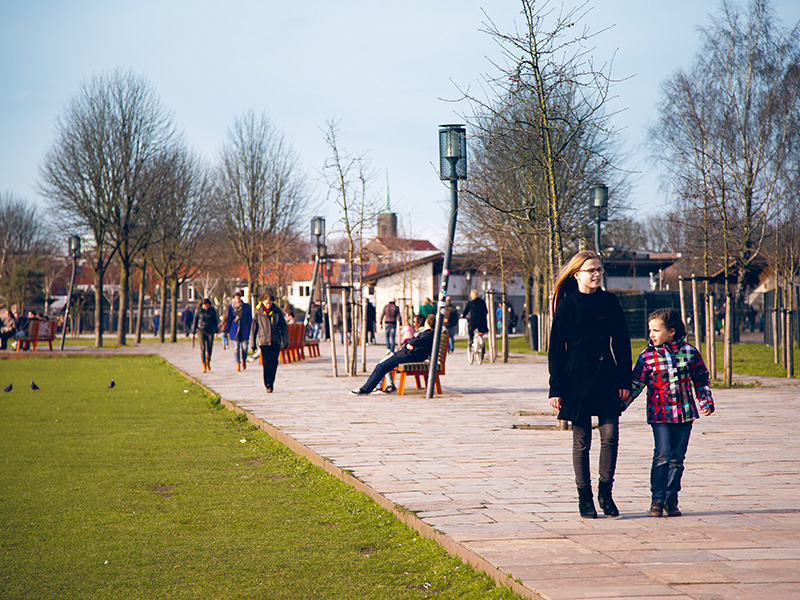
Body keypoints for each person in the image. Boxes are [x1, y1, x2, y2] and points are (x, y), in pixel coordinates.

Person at [547, 250, 631, 519]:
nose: (596, 274)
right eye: (590, 270)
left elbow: (621, 343)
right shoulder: (567, 305)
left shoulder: (610, 302)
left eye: (599, 269)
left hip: (606, 377)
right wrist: (555, 389)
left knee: (610, 436)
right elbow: (556, 350)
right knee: (582, 441)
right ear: (577, 274)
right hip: (575, 382)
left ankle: (605, 494)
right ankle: (585, 497)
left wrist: (624, 380)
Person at [628, 307, 714, 518]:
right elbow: (636, 384)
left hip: (685, 414)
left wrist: (705, 400)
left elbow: (701, 379)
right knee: (662, 455)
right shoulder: (647, 356)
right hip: (660, 415)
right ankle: (657, 500)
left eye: (656, 330)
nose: (652, 335)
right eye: (650, 330)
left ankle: (671, 499)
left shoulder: (690, 352)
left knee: (677, 458)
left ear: (672, 331)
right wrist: (619, 404)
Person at [350, 314, 434, 395]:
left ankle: (366, 389)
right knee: (383, 364)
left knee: (381, 366)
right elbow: (411, 341)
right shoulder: (427, 333)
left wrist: (410, 344)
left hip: (407, 356)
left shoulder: (427, 333)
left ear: (426, 322)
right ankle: (377, 386)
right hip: (406, 355)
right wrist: (409, 344)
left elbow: (412, 341)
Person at [251, 292, 289, 394]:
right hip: (263, 341)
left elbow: (283, 327)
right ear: (263, 302)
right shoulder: (258, 312)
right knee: (266, 363)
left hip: (275, 341)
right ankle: (268, 384)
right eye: (267, 303)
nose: (268, 305)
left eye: (270, 303)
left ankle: (271, 381)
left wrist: (285, 340)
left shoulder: (277, 312)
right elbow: (254, 329)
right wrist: (252, 343)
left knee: (274, 363)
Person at [226, 291, 252, 372]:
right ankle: (238, 363)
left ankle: (244, 360)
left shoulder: (246, 306)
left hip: (244, 328)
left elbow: (250, 318)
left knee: (245, 347)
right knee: (236, 347)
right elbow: (229, 319)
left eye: (238, 298)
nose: (237, 300)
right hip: (234, 329)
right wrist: (228, 330)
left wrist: (251, 328)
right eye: (236, 298)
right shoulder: (231, 307)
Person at [192, 298, 219, 373]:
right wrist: (193, 332)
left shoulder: (212, 311)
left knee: (209, 348)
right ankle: (203, 365)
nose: (206, 307)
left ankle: (208, 360)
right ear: (202, 305)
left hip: (210, 330)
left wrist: (216, 331)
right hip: (201, 330)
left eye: (208, 305)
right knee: (203, 348)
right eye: (205, 305)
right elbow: (195, 321)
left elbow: (215, 321)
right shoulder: (198, 311)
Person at [461, 289, 488, 354]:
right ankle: (482, 347)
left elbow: (465, 311)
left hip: (473, 320)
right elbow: (486, 311)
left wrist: (463, 316)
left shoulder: (470, 303)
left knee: (471, 330)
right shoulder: (482, 302)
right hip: (482, 321)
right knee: (480, 333)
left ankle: (471, 341)